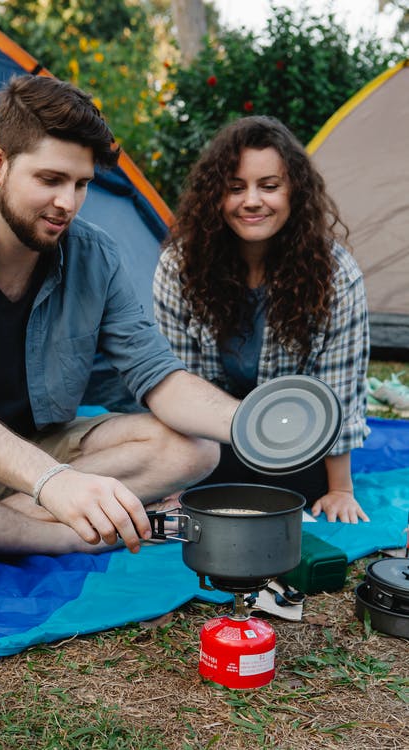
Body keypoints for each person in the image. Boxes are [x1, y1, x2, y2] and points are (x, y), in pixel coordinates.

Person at [0, 74, 245, 584]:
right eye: (50, 179)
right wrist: (53, 483)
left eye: (82, 184)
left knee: (195, 447)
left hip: (38, 445)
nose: (68, 202)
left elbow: (158, 376)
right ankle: (62, 535)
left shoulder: (94, 255)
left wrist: (255, 424)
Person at [153, 115, 370, 525]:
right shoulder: (179, 266)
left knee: (295, 490)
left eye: (269, 186)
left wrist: (340, 489)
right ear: (215, 196)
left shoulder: (337, 274)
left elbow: (339, 391)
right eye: (235, 188)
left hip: (294, 448)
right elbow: (176, 381)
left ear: (295, 193)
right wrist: (175, 485)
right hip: (209, 442)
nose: (252, 200)